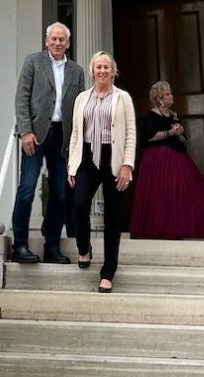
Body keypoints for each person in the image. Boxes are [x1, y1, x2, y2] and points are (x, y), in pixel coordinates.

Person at [12, 22, 86, 264]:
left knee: (60, 193)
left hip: (62, 137)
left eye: (61, 39)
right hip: (35, 134)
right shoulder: (33, 62)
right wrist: (25, 131)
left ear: (68, 43)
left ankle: (52, 246)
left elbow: (80, 106)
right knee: (26, 189)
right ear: (46, 41)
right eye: (53, 39)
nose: (57, 43)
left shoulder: (76, 70)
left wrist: (77, 140)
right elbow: (22, 97)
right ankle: (20, 245)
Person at [67, 51, 136, 292]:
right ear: (92, 71)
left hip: (113, 158)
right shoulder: (82, 99)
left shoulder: (123, 98)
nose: (102, 71)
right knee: (79, 203)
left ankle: (108, 272)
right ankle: (84, 249)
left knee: (113, 217)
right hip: (87, 158)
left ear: (113, 71)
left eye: (107, 67)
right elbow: (76, 133)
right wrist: (72, 165)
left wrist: (127, 165)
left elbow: (130, 132)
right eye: (98, 67)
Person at [130, 81, 204, 239]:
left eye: (170, 93)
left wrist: (180, 132)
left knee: (181, 191)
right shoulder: (152, 114)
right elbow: (149, 137)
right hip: (158, 159)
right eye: (168, 94)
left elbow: (182, 138)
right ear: (160, 98)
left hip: (177, 155)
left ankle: (181, 226)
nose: (171, 96)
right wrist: (170, 132)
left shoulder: (174, 114)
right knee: (160, 192)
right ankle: (161, 227)